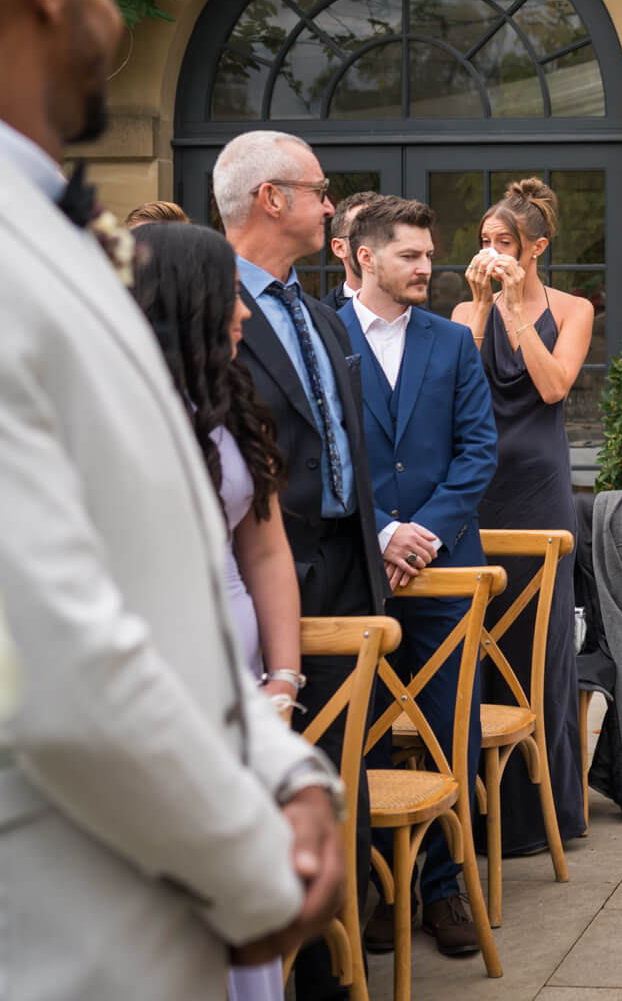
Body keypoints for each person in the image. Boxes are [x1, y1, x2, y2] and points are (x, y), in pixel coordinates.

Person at [0, 0, 341, 999]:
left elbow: (164, 572)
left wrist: (288, 768)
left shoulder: (43, 224)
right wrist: (260, 865)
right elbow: (39, 642)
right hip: (29, 948)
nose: (109, 3)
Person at [216, 129, 389, 1001]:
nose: (333, 205)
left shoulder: (321, 314)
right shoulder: (210, 313)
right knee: (283, 783)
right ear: (271, 199)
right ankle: (304, 973)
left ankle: (341, 957)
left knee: (340, 774)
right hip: (269, 579)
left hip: (353, 566)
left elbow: (347, 445)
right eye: (320, 191)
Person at [130, 221, 307, 1001]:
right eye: (231, 295)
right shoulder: (121, 415)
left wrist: (283, 676)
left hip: (242, 683)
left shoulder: (231, 398)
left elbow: (265, 551)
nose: (244, 310)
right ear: (186, 302)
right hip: (161, 682)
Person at [337, 197, 499, 956]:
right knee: (357, 736)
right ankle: (374, 889)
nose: (427, 267)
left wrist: (421, 535)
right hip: (354, 576)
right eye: (410, 255)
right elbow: (322, 455)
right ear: (363, 256)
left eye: (429, 255)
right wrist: (381, 536)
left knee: (449, 732)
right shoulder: (320, 337)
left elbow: (477, 452)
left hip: (444, 573)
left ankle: (440, 892)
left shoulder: (452, 342)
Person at [452, 179, 595, 857]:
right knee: (473, 639)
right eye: (484, 243)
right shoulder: (462, 311)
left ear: (535, 248)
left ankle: (544, 814)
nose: (490, 252)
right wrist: (481, 308)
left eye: (502, 243)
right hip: (475, 491)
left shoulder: (573, 308)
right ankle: (471, 811)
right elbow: (451, 391)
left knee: (537, 646)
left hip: (538, 489)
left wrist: (513, 310)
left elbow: (552, 385)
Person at [323, 189, 380, 310]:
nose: (380, 243)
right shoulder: (317, 320)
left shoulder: (424, 319)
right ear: (340, 248)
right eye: (365, 232)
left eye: (388, 235)